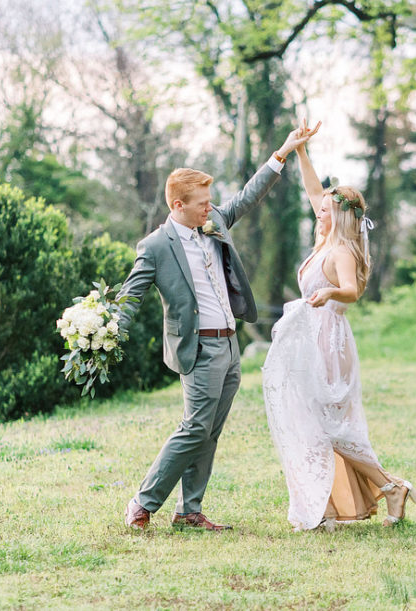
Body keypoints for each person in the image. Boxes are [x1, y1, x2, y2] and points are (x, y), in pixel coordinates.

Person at [119, 122, 320, 531]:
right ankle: (142, 502)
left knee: (210, 432)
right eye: (200, 203)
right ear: (177, 205)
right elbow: (131, 294)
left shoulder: (214, 224)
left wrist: (282, 152)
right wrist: (106, 333)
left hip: (230, 346)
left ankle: (189, 511)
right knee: (194, 427)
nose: (209, 208)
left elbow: (247, 196)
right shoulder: (156, 246)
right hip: (199, 350)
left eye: (210, 201)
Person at [262, 120, 416, 531]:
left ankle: (390, 487)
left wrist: (330, 294)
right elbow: (314, 191)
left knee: (330, 425)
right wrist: (300, 152)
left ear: (340, 216)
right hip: (310, 340)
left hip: (330, 341)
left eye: (327, 208)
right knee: (313, 423)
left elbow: (352, 291)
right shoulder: (324, 239)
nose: (319, 209)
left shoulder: (343, 250)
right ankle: (330, 508)